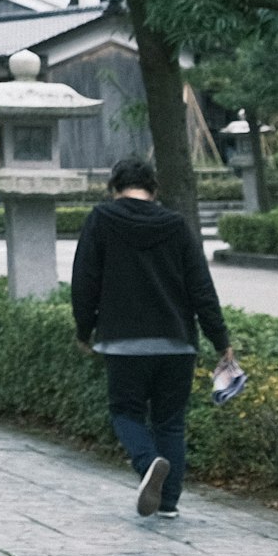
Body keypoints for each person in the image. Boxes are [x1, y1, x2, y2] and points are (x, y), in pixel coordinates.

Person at [69, 153, 237, 517]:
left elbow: (84, 281)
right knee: (170, 422)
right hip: (177, 343)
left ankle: (148, 466)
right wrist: (220, 339)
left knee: (125, 412)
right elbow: (200, 288)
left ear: (113, 188)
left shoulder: (101, 219)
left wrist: (85, 330)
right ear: (154, 189)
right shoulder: (175, 225)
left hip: (123, 342)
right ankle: (169, 503)